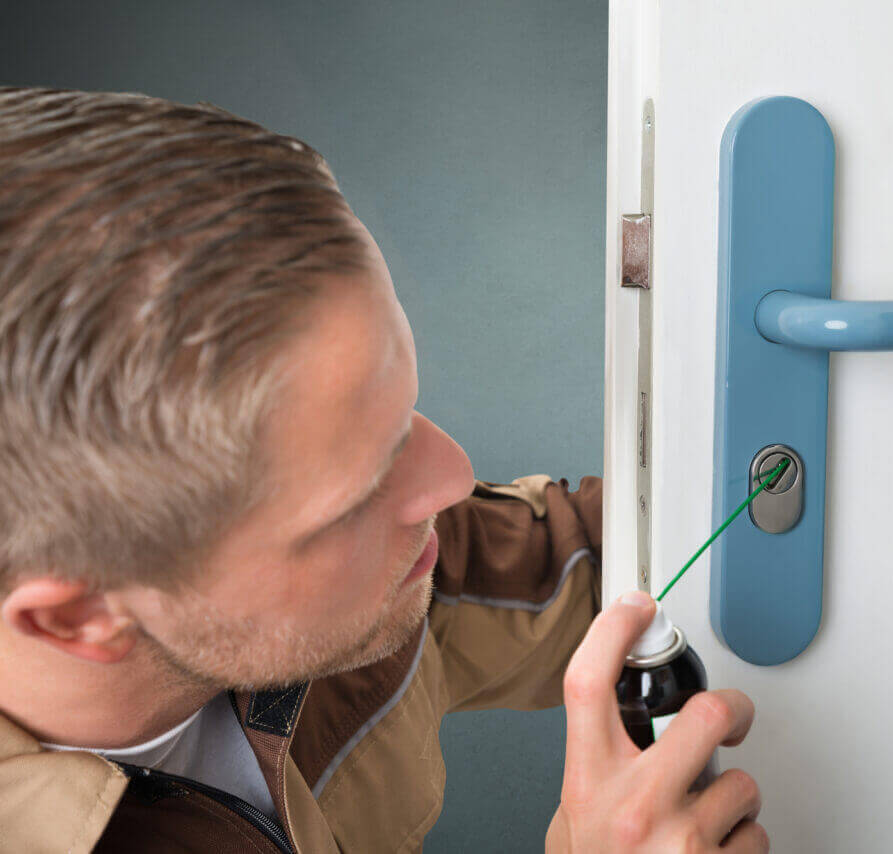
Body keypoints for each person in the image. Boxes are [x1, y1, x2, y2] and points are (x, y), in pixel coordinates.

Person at [0, 86, 766, 853]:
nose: (452, 477)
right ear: (78, 617)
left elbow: (614, 557)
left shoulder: (387, 561)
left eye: (400, 415)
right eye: (355, 491)